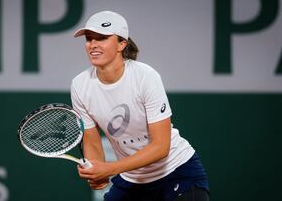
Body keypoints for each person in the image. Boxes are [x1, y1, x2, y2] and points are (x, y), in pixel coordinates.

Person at [71, 11, 209, 201]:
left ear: (122, 44)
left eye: (102, 38)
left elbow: (161, 146)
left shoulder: (145, 77)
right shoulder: (80, 85)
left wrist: (109, 169)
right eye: (89, 39)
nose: (93, 45)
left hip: (177, 172)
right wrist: (97, 171)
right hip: (132, 181)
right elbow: (92, 140)